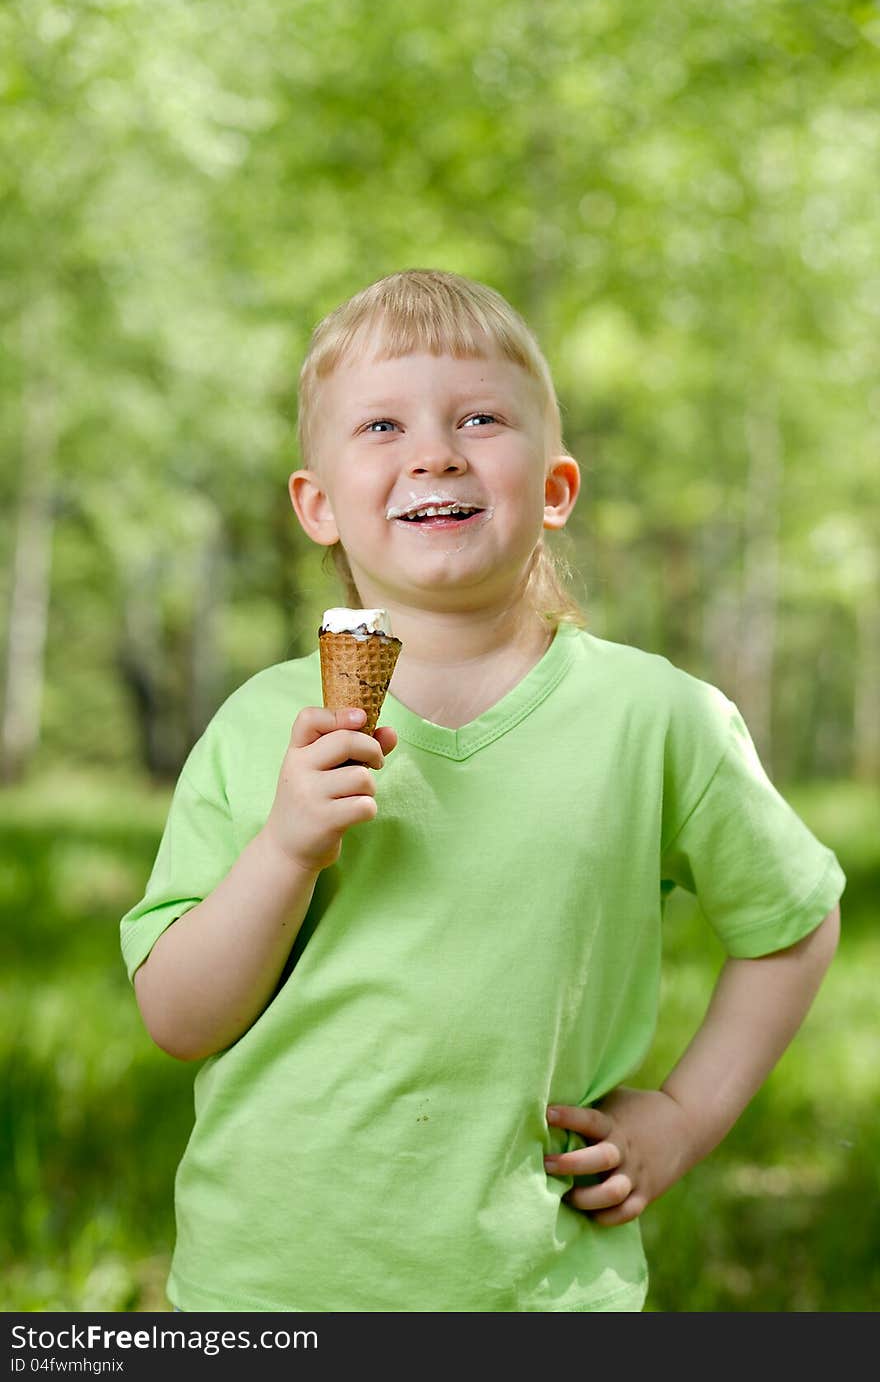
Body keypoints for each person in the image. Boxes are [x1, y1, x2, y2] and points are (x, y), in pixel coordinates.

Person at [120, 268, 845, 1313]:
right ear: (316, 505)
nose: (433, 451)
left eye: (479, 417)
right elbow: (178, 1016)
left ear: (554, 487)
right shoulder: (257, 726)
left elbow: (791, 922)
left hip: (540, 1293)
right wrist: (283, 850)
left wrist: (683, 1117)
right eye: (380, 424)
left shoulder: (657, 716)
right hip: (267, 1291)